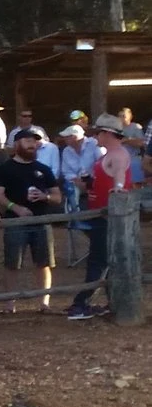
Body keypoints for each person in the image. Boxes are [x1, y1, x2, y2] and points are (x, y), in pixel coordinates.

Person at [69, 115, 139, 320]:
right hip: (100, 213)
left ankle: (80, 303)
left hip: (108, 217)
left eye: (98, 133)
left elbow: (118, 174)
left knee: (98, 260)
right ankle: (111, 300)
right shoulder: (106, 155)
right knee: (105, 260)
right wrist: (85, 184)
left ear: (107, 134)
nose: (95, 137)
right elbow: (102, 181)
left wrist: (118, 188)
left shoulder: (118, 155)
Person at [0, 125, 61, 313]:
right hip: (15, 222)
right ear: (17, 144)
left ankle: (44, 303)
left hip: (41, 220)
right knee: (12, 263)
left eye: (35, 141)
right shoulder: (4, 169)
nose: (32, 144)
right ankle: (9, 303)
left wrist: (44, 197)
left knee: (44, 263)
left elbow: (57, 196)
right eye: (28, 141)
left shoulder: (43, 169)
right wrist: (14, 208)